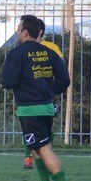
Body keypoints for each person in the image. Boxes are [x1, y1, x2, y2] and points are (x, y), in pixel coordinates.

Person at [2, 15, 77, 181]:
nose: (17, 31)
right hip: (47, 108)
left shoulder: (16, 53)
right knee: (36, 148)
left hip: (30, 110)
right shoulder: (49, 52)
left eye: (18, 28)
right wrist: (48, 91)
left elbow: (8, 81)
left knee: (44, 149)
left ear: (25, 32)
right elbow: (65, 80)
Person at [22, 38, 63, 169]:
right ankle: (28, 157)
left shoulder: (51, 47)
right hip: (30, 97)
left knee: (47, 129)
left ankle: (46, 155)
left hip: (47, 98)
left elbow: (59, 69)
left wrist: (52, 89)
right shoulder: (24, 49)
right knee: (28, 129)